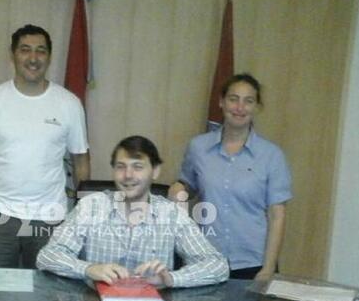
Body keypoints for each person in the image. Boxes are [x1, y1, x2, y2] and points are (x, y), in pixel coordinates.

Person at [0, 24, 90, 269]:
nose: (33, 58)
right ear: (13, 55)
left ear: (49, 57)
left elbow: (81, 161)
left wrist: (81, 220)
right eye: (25, 50)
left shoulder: (69, 103)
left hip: (50, 219)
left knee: (47, 298)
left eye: (41, 51)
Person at [37, 135, 229, 288]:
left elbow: (217, 266)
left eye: (138, 167)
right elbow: (47, 256)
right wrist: (88, 269)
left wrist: (171, 278)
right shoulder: (91, 206)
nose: (128, 175)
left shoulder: (172, 214)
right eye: (121, 167)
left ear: (155, 171)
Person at [170, 73, 292, 280]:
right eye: (233, 99)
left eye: (248, 101)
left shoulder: (272, 155)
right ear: (221, 102)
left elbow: (277, 215)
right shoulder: (198, 147)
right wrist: (179, 188)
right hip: (206, 259)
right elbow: (189, 185)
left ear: (257, 107)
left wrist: (268, 268)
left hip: (253, 263)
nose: (240, 107)